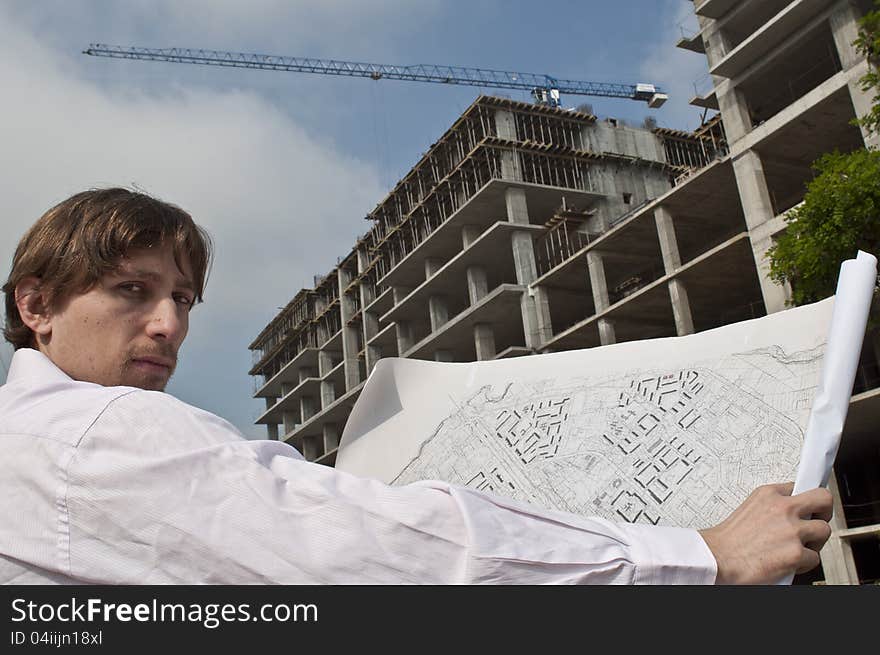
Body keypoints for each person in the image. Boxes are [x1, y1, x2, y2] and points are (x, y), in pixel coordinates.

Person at [0, 188, 833, 585]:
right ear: (36, 305)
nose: (168, 325)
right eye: (131, 291)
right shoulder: (98, 431)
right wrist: (701, 554)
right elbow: (375, 544)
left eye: (180, 298)